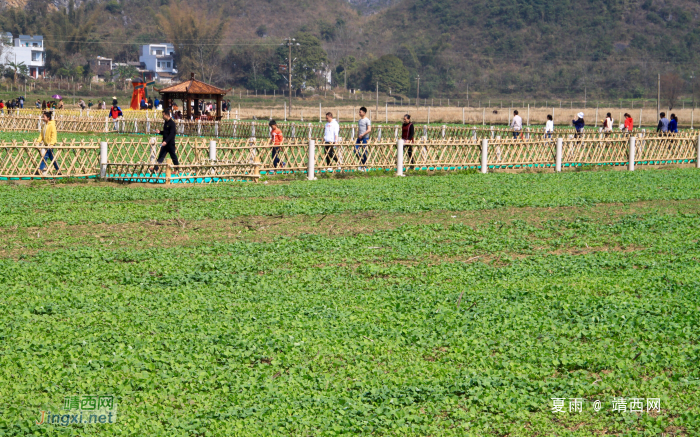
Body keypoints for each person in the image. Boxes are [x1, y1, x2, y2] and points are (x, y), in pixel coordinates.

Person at [35, 111, 60, 175]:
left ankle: (41, 170)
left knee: (44, 157)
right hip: (46, 144)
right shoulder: (44, 125)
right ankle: (58, 170)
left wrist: (51, 144)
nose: (43, 118)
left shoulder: (52, 125)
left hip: (50, 145)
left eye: (44, 117)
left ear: (48, 118)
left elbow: (54, 135)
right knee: (52, 159)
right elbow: (41, 135)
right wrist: (38, 141)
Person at [356, 106, 371, 171]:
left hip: (365, 138)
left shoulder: (367, 120)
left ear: (364, 113)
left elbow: (369, 129)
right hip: (359, 138)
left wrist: (363, 134)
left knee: (364, 151)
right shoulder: (359, 121)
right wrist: (358, 135)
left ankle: (364, 165)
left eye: (360, 112)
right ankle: (362, 162)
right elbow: (359, 129)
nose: (359, 113)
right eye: (359, 112)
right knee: (355, 150)